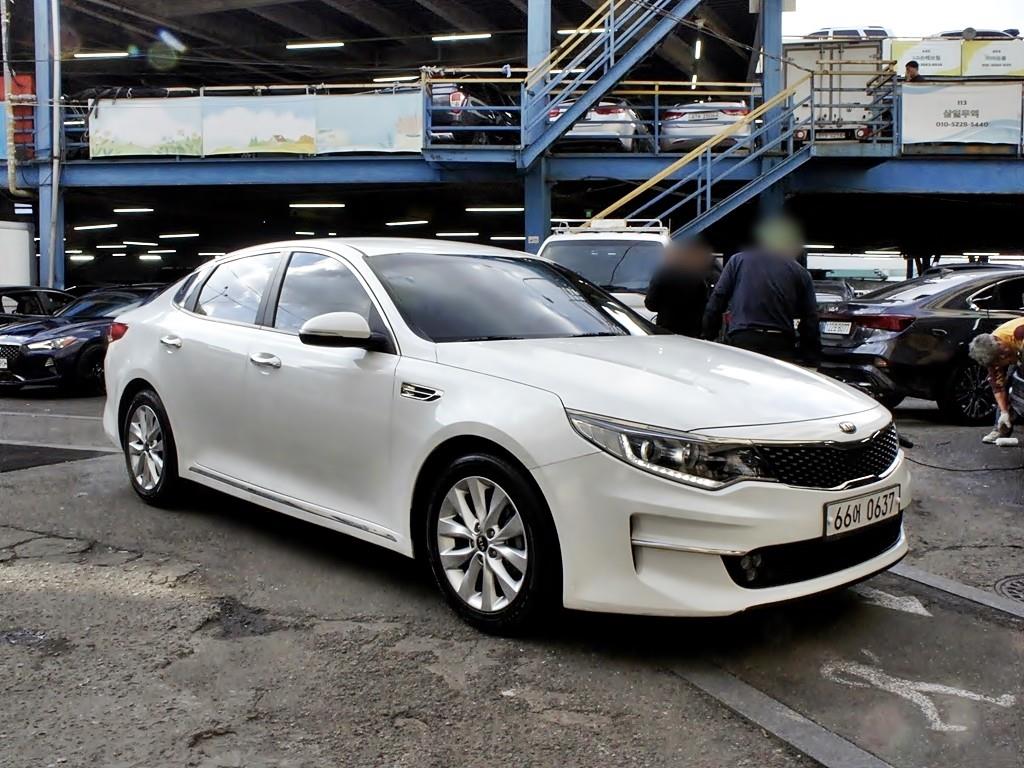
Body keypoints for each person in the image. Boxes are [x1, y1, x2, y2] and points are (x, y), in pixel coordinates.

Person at [702, 215, 820, 365]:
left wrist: (708, 335)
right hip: (780, 343)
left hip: (743, 340)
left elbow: (718, 299)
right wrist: (810, 357)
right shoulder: (800, 272)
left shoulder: (738, 261)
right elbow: (810, 318)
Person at [968, 318, 1024, 443]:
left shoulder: (1019, 333)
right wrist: (1004, 412)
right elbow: (998, 386)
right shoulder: (991, 350)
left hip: (1019, 346)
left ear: (1000, 347)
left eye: (999, 360)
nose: (1001, 361)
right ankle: (1001, 427)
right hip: (1017, 350)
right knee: (1008, 383)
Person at [644, 239, 714, 337]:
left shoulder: (662, 275)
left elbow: (650, 304)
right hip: (692, 331)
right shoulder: (698, 276)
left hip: (666, 329)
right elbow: (705, 304)